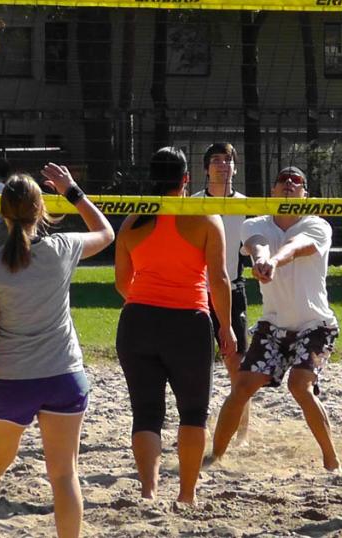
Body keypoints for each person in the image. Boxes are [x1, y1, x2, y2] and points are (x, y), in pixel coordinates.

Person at [0, 166, 115, 538]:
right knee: (64, 473)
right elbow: (107, 233)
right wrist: (72, 191)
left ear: (3, 213)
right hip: (63, 377)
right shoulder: (62, 249)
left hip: (13, 382)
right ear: (41, 211)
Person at [114, 147, 237, 504]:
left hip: (137, 322)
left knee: (146, 413)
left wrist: (148, 301)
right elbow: (220, 279)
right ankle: (186, 495)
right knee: (193, 412)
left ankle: (149, 492)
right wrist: (225, 326)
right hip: (188, 323)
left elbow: (123, 282)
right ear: (186, 179)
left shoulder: (133, 219)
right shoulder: (204, 217)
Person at [207, 166, 341, 472]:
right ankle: (214, 456)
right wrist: (261, 260)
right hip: (274, 327)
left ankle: (331, 460)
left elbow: (297, 248)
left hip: (315, 325)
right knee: (241, 387)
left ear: (306, 194)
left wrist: (273, 262)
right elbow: (257, 243)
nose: (290, 184)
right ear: (272, 191)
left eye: (297, 182)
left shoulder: (318, 226)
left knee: (300, 386)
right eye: (283, 180)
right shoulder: (255, 223)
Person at [192, 142, 252, 445]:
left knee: (237, 364)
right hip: (196, 291)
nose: (222, 165)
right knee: (194, 364)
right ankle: (195, 426)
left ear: (235, 168)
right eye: (216, 160)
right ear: (206, 169)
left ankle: (242, 431)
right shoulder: (192, 204)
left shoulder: (245, 205)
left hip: (232, 289)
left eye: (228, 160)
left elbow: (255, 243)